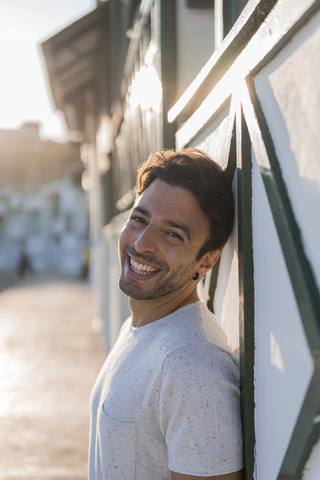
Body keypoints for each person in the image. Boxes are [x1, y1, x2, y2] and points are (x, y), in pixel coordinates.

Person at [89, 148, 243, 480]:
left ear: (206, 261)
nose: (142, 243)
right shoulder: (140, 326)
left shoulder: (192, 367)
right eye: (139, 219)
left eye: (173, 234)